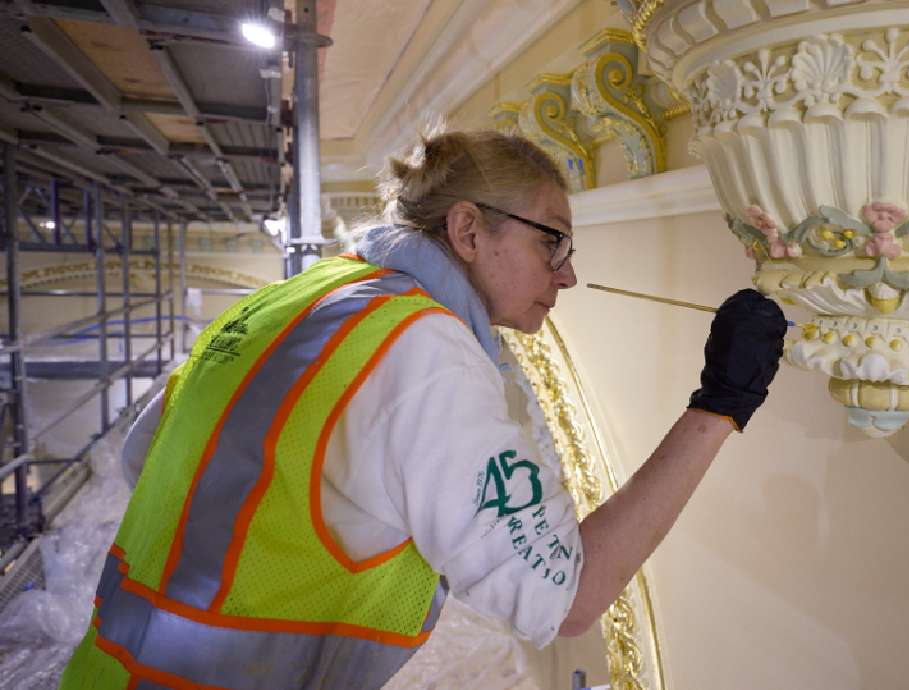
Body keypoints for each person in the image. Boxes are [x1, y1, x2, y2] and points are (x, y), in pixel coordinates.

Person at [58, 131, 786, 689]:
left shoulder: (302, 294)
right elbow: (565, 599)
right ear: (469, 231)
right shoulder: (423, 355)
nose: (567, 273)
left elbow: (142, 454)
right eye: (552, 240)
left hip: (108, 667)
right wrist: (720, 405)